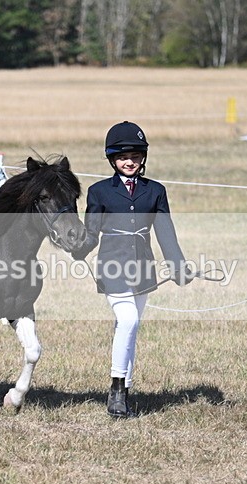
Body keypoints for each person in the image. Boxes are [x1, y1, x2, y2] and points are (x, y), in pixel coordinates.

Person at [72, 121, 194, 418]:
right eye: (124, 157)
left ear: (143, 159)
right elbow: (92, 230)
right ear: (112, 159)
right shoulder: (99, 191)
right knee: (127, 321)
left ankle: (125, 387)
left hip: (144, 270)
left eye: (136, 156)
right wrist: (79, 249)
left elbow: (165, 231)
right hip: (112, 267)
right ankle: (116, 390)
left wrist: (178, 264)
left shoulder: (155, 191)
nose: (130, 162)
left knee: (131, 327)